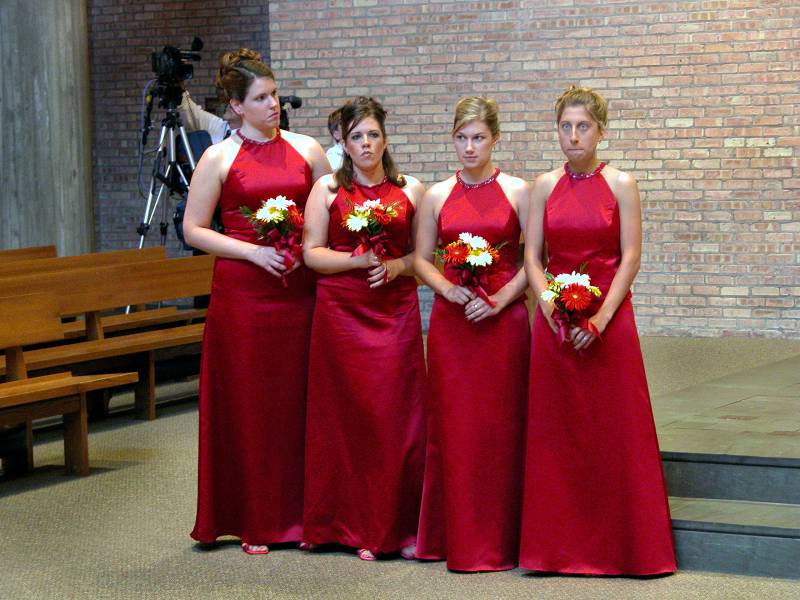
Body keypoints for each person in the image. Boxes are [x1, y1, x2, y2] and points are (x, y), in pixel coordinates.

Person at [519, 85, 677, 575]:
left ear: (601, 132)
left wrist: (602, 318)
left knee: (616, 429)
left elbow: (631, 256)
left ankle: (626, 548)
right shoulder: (544, 185)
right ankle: (556, 548)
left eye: (583, 126)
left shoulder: (622, 184)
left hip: (609, 317)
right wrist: (550, 307)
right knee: (558, 433)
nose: (573, 136)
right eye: (565, 127)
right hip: (556, 323)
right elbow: (532, 257)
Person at [183, 48, 330, 555]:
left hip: (299, 290)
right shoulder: (218, 157)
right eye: (262, 98)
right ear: (236, 106)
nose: (274, 105)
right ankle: (257, 518)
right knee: (252, 404)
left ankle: (307, 513)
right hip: (244, 296)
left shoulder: (308, 149)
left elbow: (329, 212)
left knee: (300, 400)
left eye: (275, 95)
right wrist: (251, 251)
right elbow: (193, 229)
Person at [302, 96, 426, 561]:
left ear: (385, 140)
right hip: (341, 315)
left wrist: (395, 266)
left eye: (373, 134)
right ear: (344, 143)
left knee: (394, 417)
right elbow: (311, 253)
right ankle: (343, 523)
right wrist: (356, 261)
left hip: (393, 313)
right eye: (357, 136)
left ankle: (394, 524)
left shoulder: (411, 190)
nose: (366, 143)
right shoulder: (327, 190)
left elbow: (423, 257)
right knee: (346, 418)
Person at [412, 96, 530, 571]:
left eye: (478, 138)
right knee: (455, 427)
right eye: (461, 138)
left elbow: (534, 261)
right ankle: (452, 535)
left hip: (504, 321)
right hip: (454, 322)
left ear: (495, 139)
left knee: (502, 426)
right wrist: (445, 288)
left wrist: (502, 298)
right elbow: (421, 258)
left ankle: (505, 538)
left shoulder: (520, 191)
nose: (469, 147)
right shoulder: (437, 195)